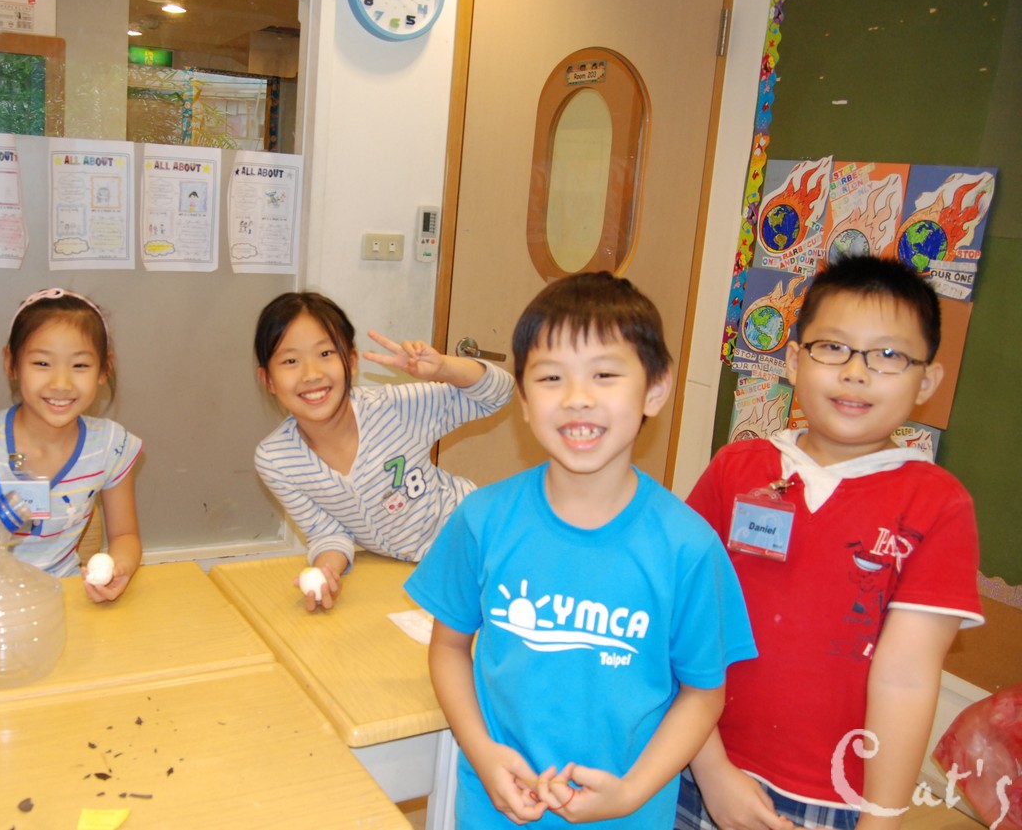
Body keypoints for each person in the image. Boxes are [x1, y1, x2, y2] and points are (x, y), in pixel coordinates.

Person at [406, 272, 756, 827]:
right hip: (498, 809)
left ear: (656, 389)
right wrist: (483, 753)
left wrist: (632, 792)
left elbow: (703, 693)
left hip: (629, 814)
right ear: (523, 400)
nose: (577, 399)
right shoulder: (482, 519)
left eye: (605, 374)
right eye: (550, 377)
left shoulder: (688, 547)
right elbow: (448, 649)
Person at [677, 256, 984, 830]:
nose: (856, 373)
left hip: (833, 795)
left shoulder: (938, 505)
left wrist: (880, 822)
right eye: (833, 348)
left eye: (888, 355)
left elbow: (906, 678)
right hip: (693, 759)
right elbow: (684, 624)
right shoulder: (736, 468)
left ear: (926, 382)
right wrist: (711, 769)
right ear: (795, 361)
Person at [253, 291, 513, 611]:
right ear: (268, 380)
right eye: (290, 361)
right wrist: (327, 572)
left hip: (482, 537)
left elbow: (499, 394)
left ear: (351, 361)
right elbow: (327, 533)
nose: (311, 374)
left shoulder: (393, 409)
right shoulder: (276, 460)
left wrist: (444, 368)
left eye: (325, 353)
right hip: (420, 570)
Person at [0, 289, 142, 603]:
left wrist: (120, 566)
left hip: (62, 596)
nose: (61, 383)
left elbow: (125, 535)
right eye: (42, 363)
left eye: (80, 365)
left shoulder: (111, 446)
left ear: (103, 369)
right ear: (11, 363)